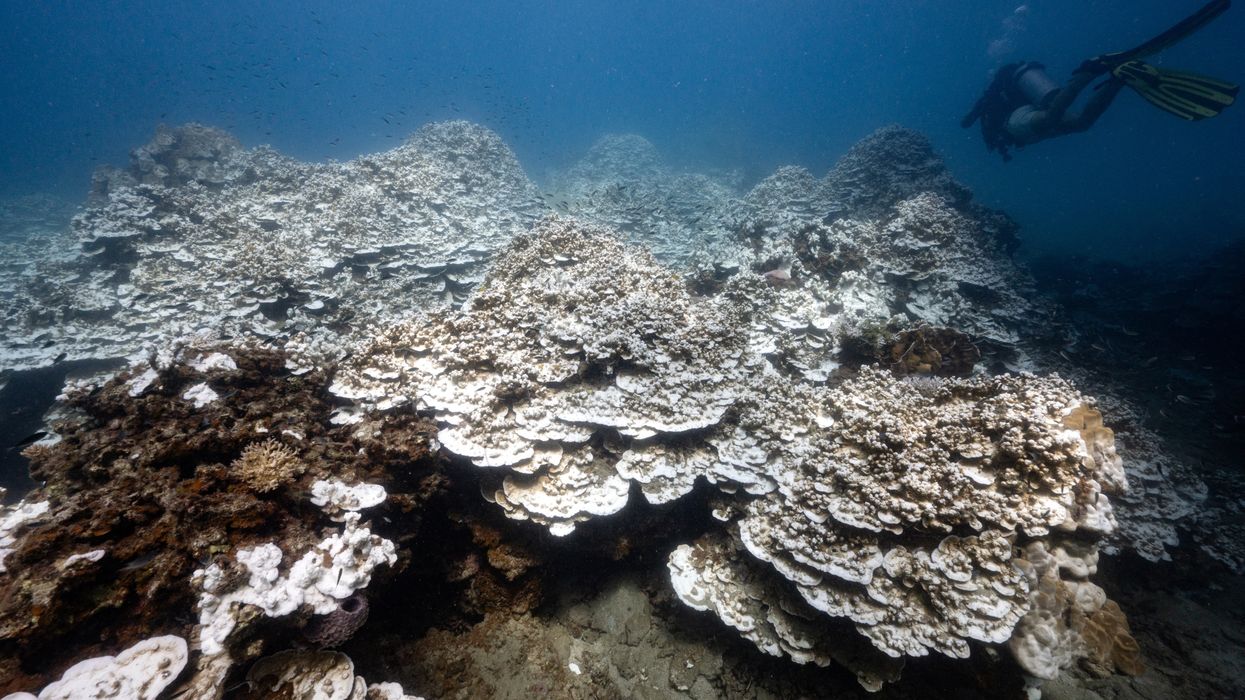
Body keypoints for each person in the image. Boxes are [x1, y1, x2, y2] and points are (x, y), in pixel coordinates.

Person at [963, 0, 1238, 162]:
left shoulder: (992, 98)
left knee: (1049, 120)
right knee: (1082, 123)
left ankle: (1086, 73)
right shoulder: (1002, 90)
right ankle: (1117, 79)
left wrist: (975, 120)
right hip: (1031, 109)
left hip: (1016, 122)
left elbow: (974, 117)